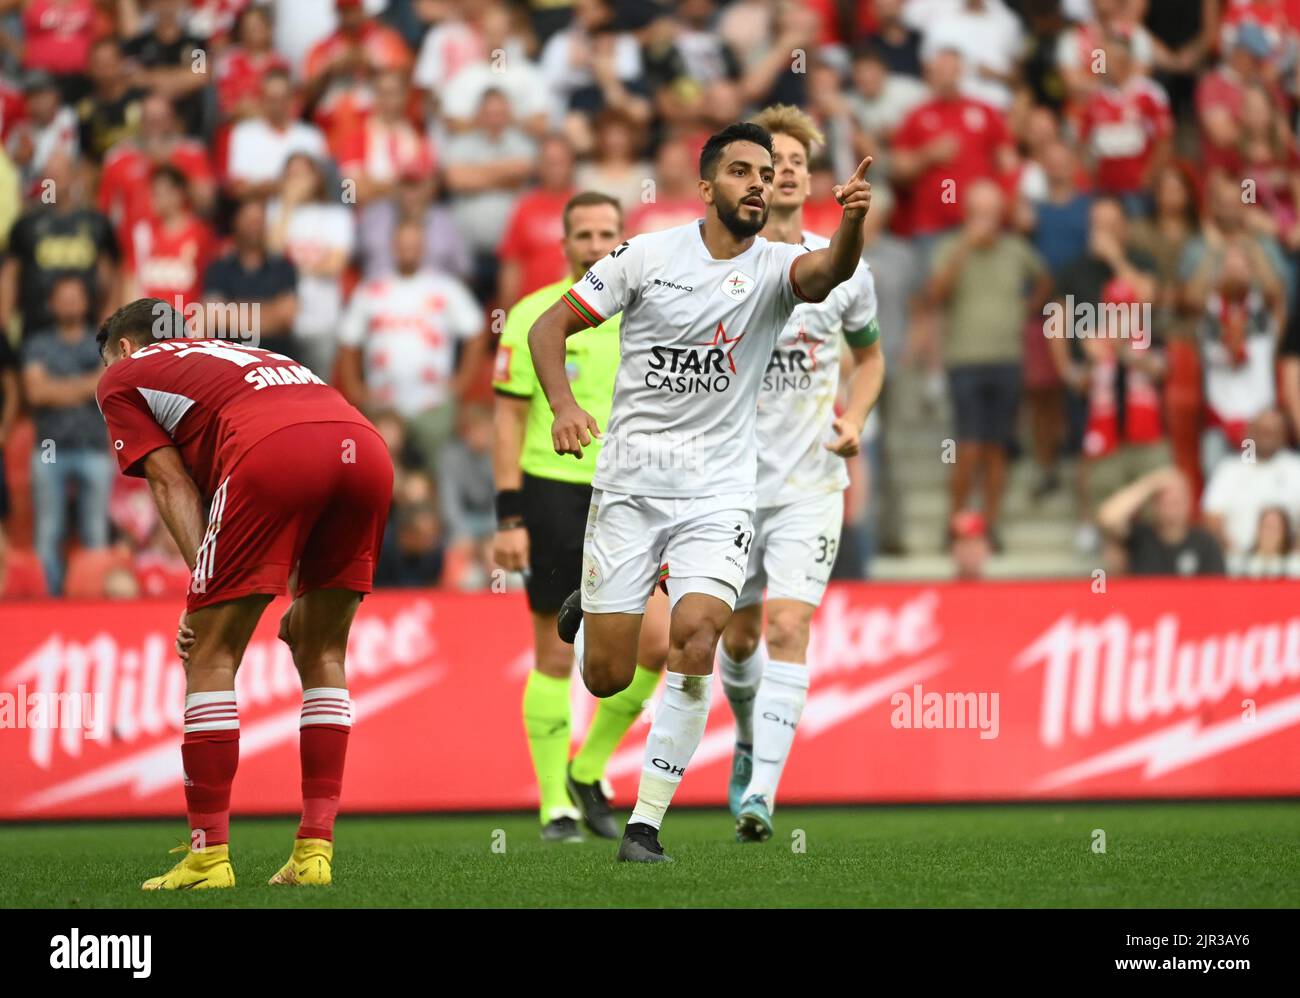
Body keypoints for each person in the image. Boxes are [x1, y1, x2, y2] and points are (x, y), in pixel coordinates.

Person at [527, 121, 873, 862]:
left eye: (765, 172)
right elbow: (549, 328)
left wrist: (852, 222)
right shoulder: (646, 257)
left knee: (697, 641)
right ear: (708, 186)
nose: (758, 183)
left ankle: (646, 824)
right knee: (607, 674)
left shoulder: (782, 267)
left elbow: (832, 276)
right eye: (742, 172)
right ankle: (593, 607)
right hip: (630, 485)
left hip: (718, 492)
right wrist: (562, 406)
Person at [95, 297, 393, 890]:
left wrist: (199, 591)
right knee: (323, 650)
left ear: (125, 348)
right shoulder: (243, 353)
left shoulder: (122, 375)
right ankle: (314, 852)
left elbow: (170, 479)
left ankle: (208, 857)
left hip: (275, 452)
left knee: (209, 651)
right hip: (364, 448)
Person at [717, 105, 885, 843]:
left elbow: (872, 356)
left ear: (809, 180)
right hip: (727, 485)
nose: (785, 169)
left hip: (811, 484)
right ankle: (749, 732)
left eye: (795, 160)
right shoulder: (722, 267)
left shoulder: (845, 271)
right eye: (771, 158)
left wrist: (857, 418)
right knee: (740, 639)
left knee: (789, 626)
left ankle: (762, 793)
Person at [492, 190, 668, 842]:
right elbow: (506, 422)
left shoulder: (648, 313)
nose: (596, 246)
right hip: (553, 491)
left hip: (634, 493)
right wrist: (509, 517)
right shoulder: (534, 315)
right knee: (554, 651)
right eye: (584, 235)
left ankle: (588, 768)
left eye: (607, 234)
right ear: (564, 244)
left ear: (623, 241)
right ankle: (554, 807)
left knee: (658, 641)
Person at [337, 220, 488, 477]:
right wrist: (355, 390)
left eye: (414, 245)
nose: (408, 250)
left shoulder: (444, 287)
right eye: (403, 245)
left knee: (437, 474)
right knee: (377, 473)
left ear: (423, 247)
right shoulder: (371, 289)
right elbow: (348, 341)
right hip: (383, 404)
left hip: (432, 404)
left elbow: (476, 331)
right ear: (392, 247)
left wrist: (461, 382)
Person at [21, 276, 112, 595]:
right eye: (64, 297)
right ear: (52, 303)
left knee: (95, 532)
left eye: (77, 296)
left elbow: (107, 385)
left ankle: (94, 599)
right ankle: (49, 602)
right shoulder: (37, 343)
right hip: (49, 447)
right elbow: (35, 393)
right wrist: (86, 385)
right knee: (48, 530)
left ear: (86, 302)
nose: (71, 303)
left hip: (94, 447)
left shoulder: (103, 342)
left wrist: (57, 388)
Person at [1096, 466, 1225, 576]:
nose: (1172, 509)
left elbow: (1217, 590)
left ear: (1189, 503)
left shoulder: (1205, 543)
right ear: (1154, 505)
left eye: (1177, 501)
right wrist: (1152, 483)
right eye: (1165, 502)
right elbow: (1107, 518)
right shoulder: (1140, 537)